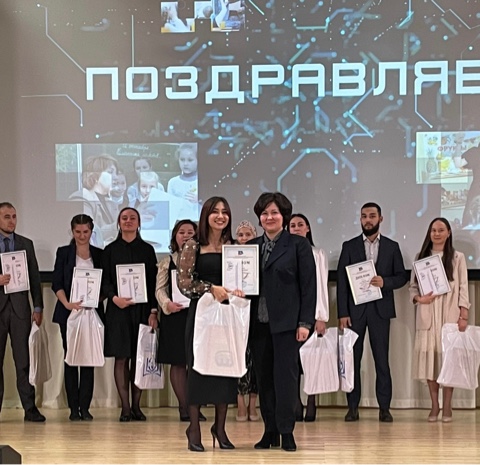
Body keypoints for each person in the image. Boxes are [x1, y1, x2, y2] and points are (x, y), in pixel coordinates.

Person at [248, 192, 316, 452]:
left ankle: (287, 431)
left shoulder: (298, 245)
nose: (269, 217)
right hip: (257, 324)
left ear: (284, 216)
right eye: (264, 213)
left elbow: (308, 286)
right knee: (264, 379)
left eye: (274, 213)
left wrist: (305, 323)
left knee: (285, 379)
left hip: (288, 325)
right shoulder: (251, 247)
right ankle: (270, 431)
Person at [177, 196, 244, 452]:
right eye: (215, 211)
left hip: (227, 316)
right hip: (202, 316)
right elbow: (184, 284)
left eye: (225, 212)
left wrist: (240, 290)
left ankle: (220, 428)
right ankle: (194, 428)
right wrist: (209, 288)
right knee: (198, 370)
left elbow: (243, 279)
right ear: (206, 216)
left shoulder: (234, 246)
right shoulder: (193, 245)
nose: (220, 216)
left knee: (224, 370)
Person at [337, 202, 407, 423]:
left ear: (380, 219)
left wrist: (385, 282)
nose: (368, 220)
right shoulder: (349, 246)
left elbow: (401, 277)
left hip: (380, 311)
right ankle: (352, 407)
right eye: (364, 216)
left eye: (372, 216)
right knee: (353, 361)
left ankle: (384, 408)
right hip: (354, 313)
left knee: (381, 362)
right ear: (360, 219)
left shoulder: (392, 247)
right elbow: (342, 282)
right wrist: (342, 313)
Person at [409, 217, 470, 422]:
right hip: (428, 315)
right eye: (433, 230)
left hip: (449, 316)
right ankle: (434, 405)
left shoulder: (458, 257)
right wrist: (419, 299)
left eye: (441, 230)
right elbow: (413, 288)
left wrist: (463, 314)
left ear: (448, 232)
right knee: (430, 363)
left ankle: (448, 405)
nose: (436, 233)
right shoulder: (421, 257)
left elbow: (463, 287)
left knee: (448, 361)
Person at [101, 207, 158, 422]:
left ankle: (136, 406)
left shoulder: (147, 250)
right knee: (121, 357)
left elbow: (153, 283)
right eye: (124, 218)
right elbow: (105, 281)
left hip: (142, 310)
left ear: (139, 223)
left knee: (139, 358)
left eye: (132, 218)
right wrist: (114, 297)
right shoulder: (109, 250)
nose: (128, 221)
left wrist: (153, 311)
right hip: (118, 310)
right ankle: (125, 408)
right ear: (118, 223)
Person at [51, 214, 103, 421]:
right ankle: (73, 408)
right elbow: (56, 282)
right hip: (69, 313)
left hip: (92, 313)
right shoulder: (64, 253)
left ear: (91, 231)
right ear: (72, 232)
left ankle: (85, 407)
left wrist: (96, 299)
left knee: (88, 359)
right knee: (71, 358)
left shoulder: (99, 254)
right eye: (78, 232)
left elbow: (105, 284)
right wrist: (67, 304)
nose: (82, 236)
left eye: (86, 232)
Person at [155, 219, 206, 422]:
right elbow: (160, 289)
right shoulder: (167, 261)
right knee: (177, 363)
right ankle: (184, 407)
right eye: (181, 232)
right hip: (175, 317)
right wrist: (167, 304)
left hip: (198, 316)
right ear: (174, 236)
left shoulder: (202, 258)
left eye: (190, 232)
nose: (186, 236)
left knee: (195, 363)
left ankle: (194, 406)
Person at [0, 202, 46, 422]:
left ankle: (30, 408)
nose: (12, 221)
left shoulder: (26, 244)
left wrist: (38, 306)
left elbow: (35, 278)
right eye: (7, 217)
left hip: (20, 309)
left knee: (24, 361)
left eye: (14, 216)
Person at [288, 213, 329, 422]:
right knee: (293, 362)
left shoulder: (317, 254)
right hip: (290, 315)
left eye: (300, 224)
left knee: (312, 361)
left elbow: (321, 286)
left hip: (311, 315)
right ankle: (295, 402)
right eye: (292, 225)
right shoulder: (284, 253)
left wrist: (321, 316)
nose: (296, 228)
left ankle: (312, 401)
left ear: (308, 228)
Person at [234, 220, 259, 423]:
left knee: (256, 357)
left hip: (257, 310)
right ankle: (239, 402)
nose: (244, 238)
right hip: (235, 310)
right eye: (240, 235)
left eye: (248, 235)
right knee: (238, 355)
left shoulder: (260, 255)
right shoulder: (229, 256)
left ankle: (253, 403)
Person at [69, 154, 119, 248]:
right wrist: (119, 225)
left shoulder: (111, 202)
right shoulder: (81, 198)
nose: (116, 177)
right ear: (95, 176)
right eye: (110, 172)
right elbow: (89, 233)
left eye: (116, 173)